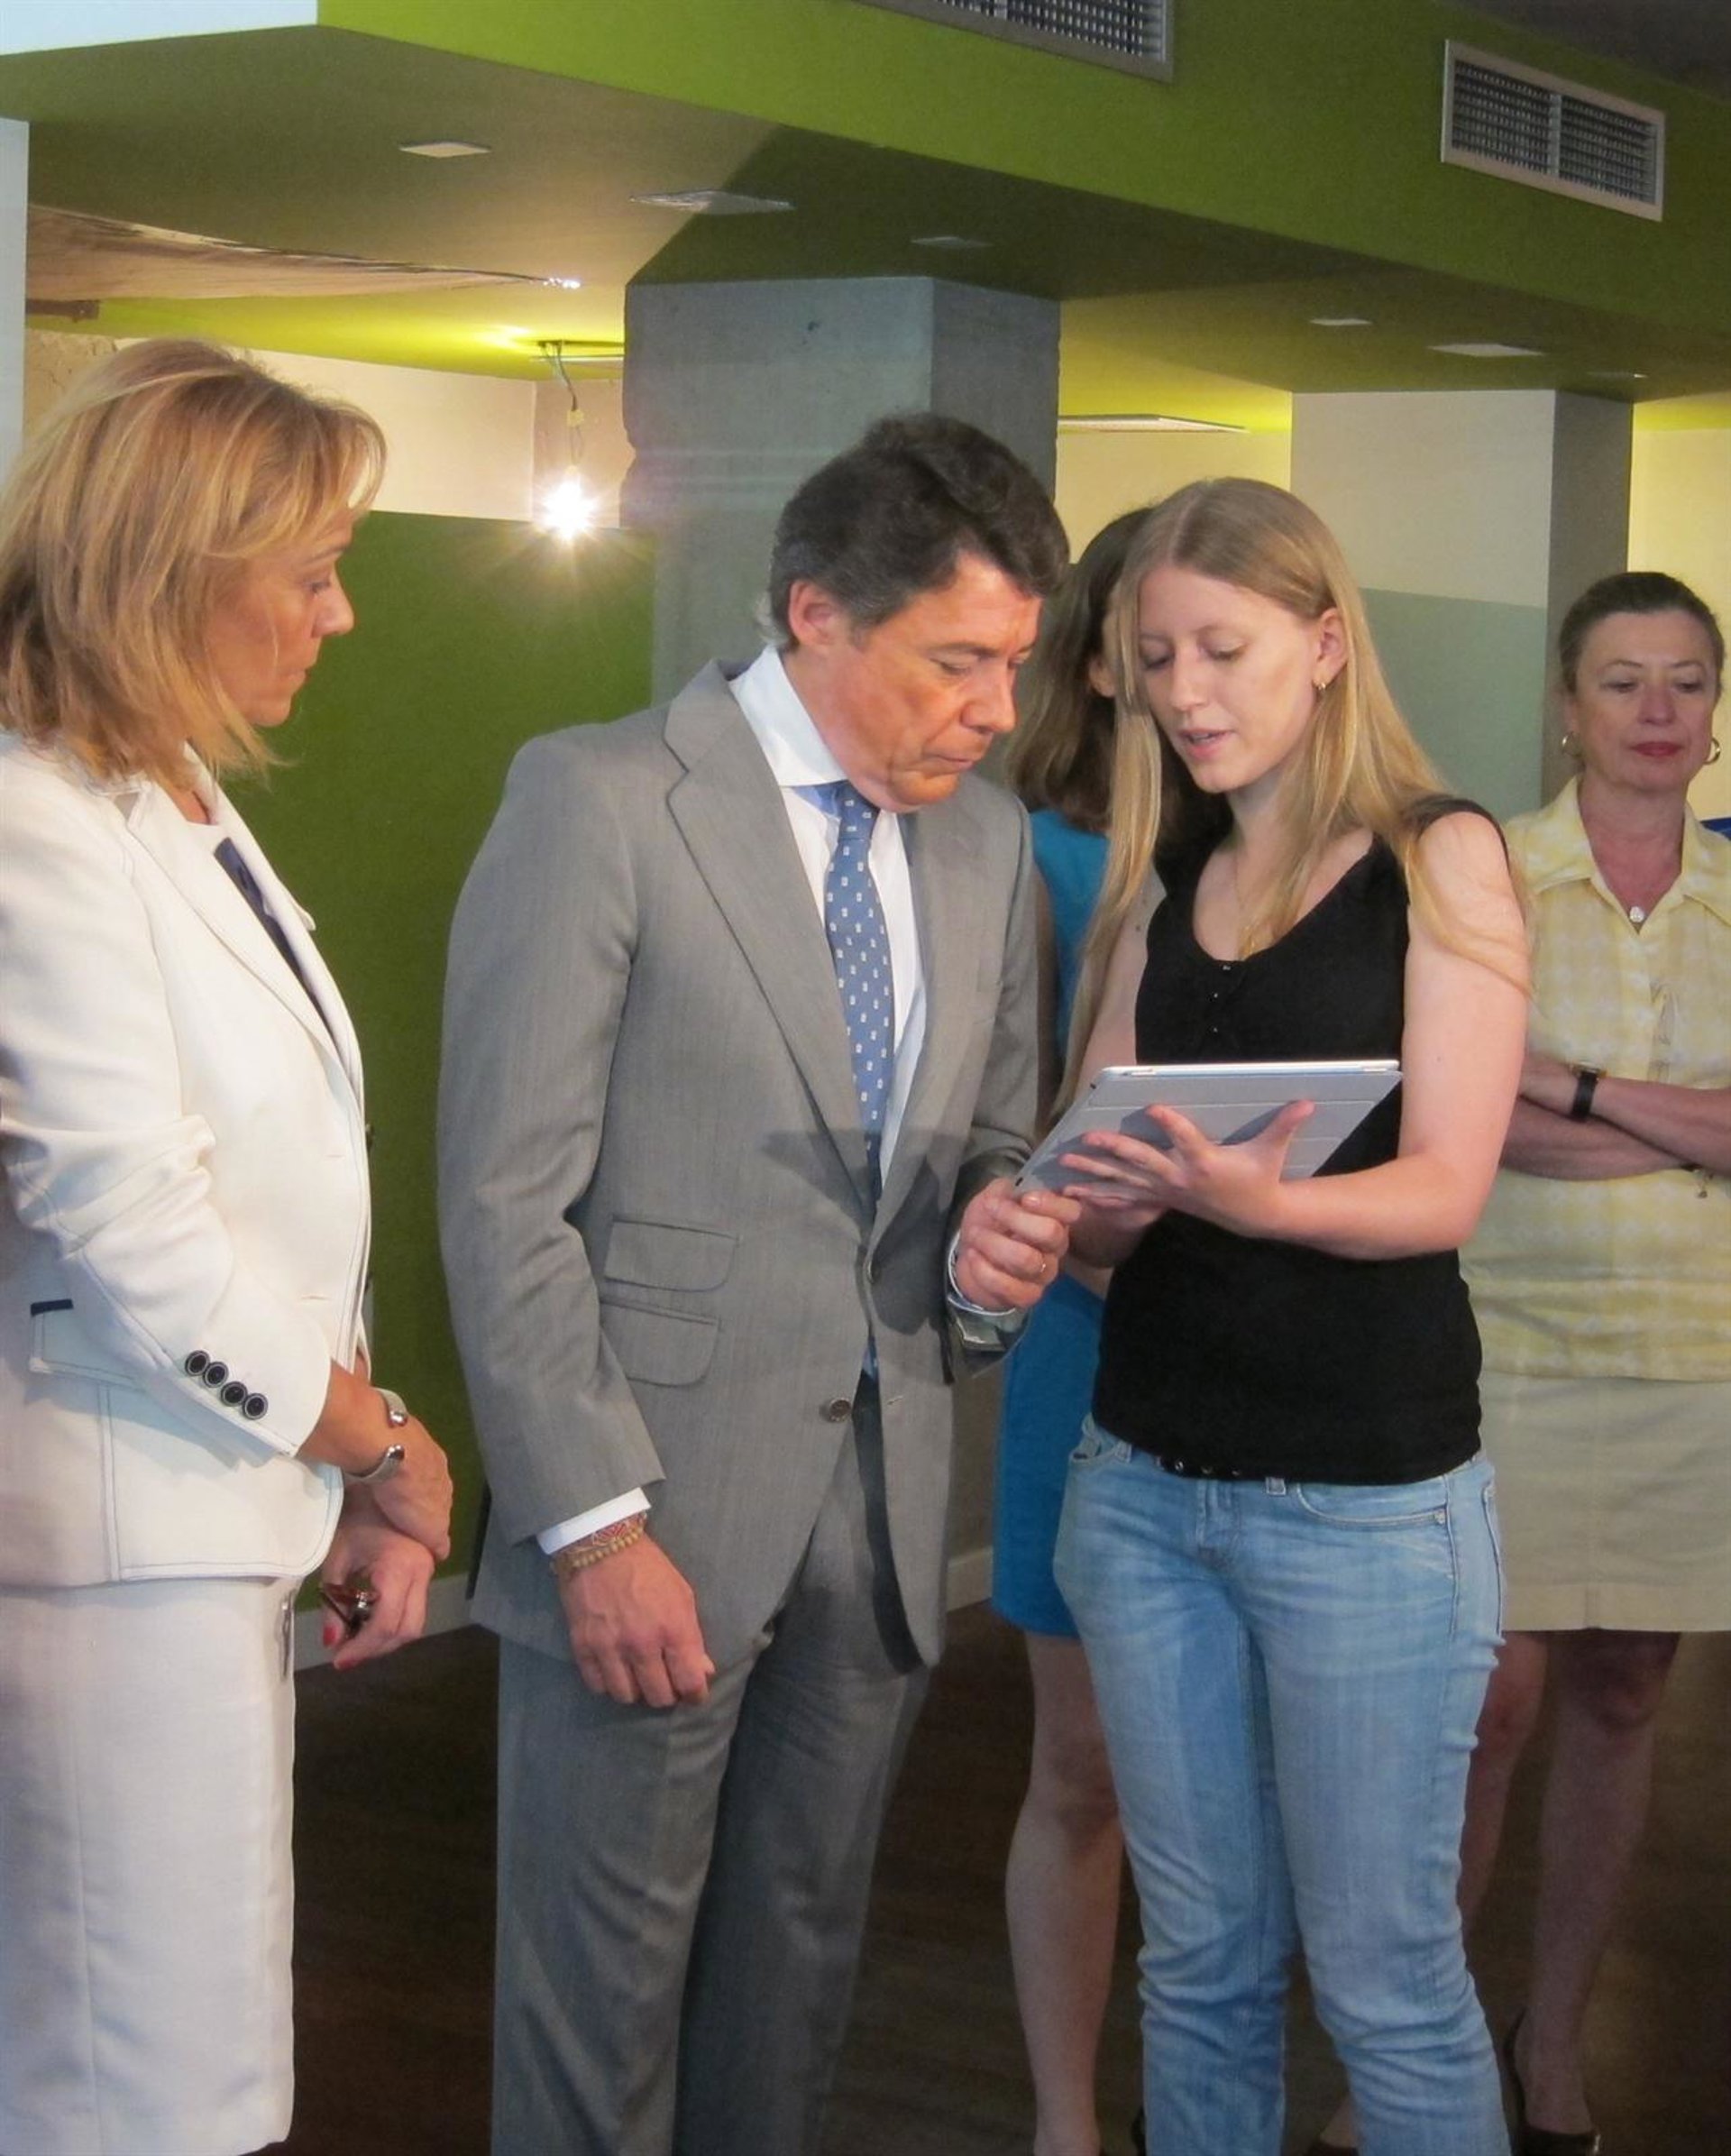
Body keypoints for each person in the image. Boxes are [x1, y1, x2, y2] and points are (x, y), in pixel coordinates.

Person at [438, 412, 1078, 2156]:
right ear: (816, 613)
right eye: (957, 661)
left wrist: (1001, 1235)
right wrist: (594, 1529)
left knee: (794, 1985)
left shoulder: (989, 844)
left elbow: (995, 1138)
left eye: (1014, 666)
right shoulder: (599, 801)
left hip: (879, 1524)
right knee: (598, 2005)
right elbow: (504, 1201)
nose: (996, 710)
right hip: (649, 1517)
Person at [0, 339, 454, 2156]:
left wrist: (334, 1467)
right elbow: (139, 1232)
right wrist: (378, 1438)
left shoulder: (167, 787)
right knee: (138, 2095)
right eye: (314, 572)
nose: (340, 615)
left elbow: (282, 1183)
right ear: (173, 572)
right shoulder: (35, 819)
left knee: (191, 2076)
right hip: (116, 1556)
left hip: (202, 1521)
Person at [1048, 477, 1530, 2156]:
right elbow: (1102, 1209)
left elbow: (1447, 1187)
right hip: (1144, 1487)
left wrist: (1262, 1203)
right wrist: (1066, 1210)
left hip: (1367, 1505)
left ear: (1325, 644)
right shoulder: (1162, 875)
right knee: (1199, 1965)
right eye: (1156, 657)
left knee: (1387, 1979)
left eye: (1223, 650)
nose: (1185, 692)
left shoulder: (1441, 854)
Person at [1452, 573, 1728, 2154]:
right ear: (1567, 707)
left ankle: (1552, 2041)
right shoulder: (1488, 874)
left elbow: (1525, 1105)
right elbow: (1462, 1112)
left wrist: (1572, 1086)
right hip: (1507, 1349)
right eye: (1623, 681)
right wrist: (1687, 1130)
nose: (1656, 710)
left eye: (1686, 681)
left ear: (1716, 714)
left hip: (1698, 1355)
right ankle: (1413, 2055)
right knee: (1484, 1711)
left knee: (1626, 1695)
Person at [994, 506, 1153, 2156]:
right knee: (1086, 1761)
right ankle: (1066, 2122)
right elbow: (1010, 1130)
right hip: (1089, 1336)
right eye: (1154, 640)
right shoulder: (1034, 859)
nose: (1187, 674)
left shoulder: (1305, 856)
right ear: (1098, 659)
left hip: (1265, 1338)